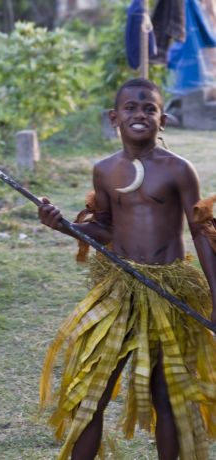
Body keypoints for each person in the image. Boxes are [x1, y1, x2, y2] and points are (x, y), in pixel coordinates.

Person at [38, 78, 216, 460]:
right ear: (114, 117)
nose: (140, 114)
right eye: (131, 108)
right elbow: (104, 227)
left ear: (163, 119)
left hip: (169, 292)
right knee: (93, 392)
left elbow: (201, 234)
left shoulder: (179, 170)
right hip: (119, 289)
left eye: (149, 108)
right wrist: (63, 225)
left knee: (165, 396)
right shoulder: (104, 171)